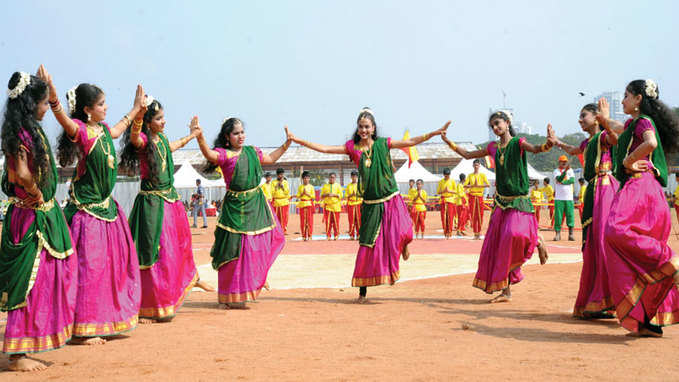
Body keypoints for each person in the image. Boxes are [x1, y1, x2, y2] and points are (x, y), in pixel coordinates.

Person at [287, 107, 449, 302]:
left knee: (404, 230)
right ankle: (362, 292)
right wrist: (298, 141)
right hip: (371, 204)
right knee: (366, 245)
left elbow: (410, 142)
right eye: (360, 127)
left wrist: (433, 133)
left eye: (367, 126)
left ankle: (404, 244)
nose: (363, 130)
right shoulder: (352, 148)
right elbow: (325, 149)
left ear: (373, 128)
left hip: (391, 197)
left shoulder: (383, 144)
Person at [41, 66, 141, 344]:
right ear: (87, 110)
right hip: (87, 214)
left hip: (107, 211)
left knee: (111, 269)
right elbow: (63, 119)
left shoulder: (105, 131)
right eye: (101, 104)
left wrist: (135, 109)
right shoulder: (83, 132)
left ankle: (102, 319)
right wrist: (53, 96)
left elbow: (121, 127)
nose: (106, 107)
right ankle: (82, 330)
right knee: (89, 270)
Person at [0, 71, 77, 371]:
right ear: (31, 103)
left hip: (42, 213)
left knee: (47, 279)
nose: (47, 108)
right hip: (30, 216)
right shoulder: (20, 133)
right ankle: (17, 355)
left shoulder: (28, 129)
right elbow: (17, 173)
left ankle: (30, 342)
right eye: (44, 103)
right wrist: (34, 191)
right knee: (26, 285)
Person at [442, 110, 553, 303]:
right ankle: (506, 291)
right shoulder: (493, 147)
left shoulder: (518, 143)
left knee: (514, 234)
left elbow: (535, 149)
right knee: (500, 248)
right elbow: (468, 155)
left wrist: (548, 144)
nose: (495, 128)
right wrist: (447, 141)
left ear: (508, 123)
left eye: (498, 123)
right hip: (501, 202)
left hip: (518, 200)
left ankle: (536, 239)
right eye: (492, 125)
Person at [120, 97, 213, 323]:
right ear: (149, 121)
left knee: (177, 248)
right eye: (159, 118)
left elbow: (173, 146)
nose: (164, 122)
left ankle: (185, 283)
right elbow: (133, 136)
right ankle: (150, 306)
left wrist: (192, 135)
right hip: (152, 205)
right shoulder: (142, 141)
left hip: (170, 203)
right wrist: (138, 114)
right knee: (153, 254)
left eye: (163, 117)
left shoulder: (161, 139)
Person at [601, 79, 679, 336]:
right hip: (651, 194)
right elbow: (619, 128)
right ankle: (647, 321)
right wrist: (604, 120)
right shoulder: (634, 123)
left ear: (637, 99)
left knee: (614, 232)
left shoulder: (643, 122)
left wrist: (629, 160)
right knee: (642, 262)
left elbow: (651, 143)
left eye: (626, 96)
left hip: (638, 188)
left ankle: (671, 259)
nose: (622, 100)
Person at [196, 117, 288, 308]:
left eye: (242, 132)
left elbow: (270, 159)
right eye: (236, 133)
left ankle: (255, 280)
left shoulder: (252, 152)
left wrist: (286, 145)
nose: (241, 136)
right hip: (234, 210)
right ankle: (228, 296)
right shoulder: (224, 154)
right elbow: (209, 155)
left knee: (261, 245)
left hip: (256, 205)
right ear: (227, 137)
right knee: (233, 251)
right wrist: (200, 138)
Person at [556, 100, 619, 319]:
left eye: (584, 116)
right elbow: (574, 150)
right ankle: (596, 301)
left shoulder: (602, 137)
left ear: (595, 116)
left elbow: (617, 139)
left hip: (605, 189)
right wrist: (557, 142)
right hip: (593, 191)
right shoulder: (588, 142)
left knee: (602, 243)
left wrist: (606, 119)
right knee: (591, 245)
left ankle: (611, 298)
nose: (580, 120)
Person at [464, 159, 490, 239]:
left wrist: (479, 186)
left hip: (479, 196)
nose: (476, 167)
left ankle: (479, 232)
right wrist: (472, 185)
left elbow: (488, 185)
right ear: (473, 166)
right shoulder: (470, 175)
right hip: (472, 196)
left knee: (480, 215)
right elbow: (465, 186)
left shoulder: (482, 175)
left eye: (477, 165)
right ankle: (475, 233)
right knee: (473, 215)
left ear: (479, 166)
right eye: (475, 165)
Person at [552, 155, 576, 241]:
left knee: (570, 216)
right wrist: (565, 172)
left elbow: (572, 181)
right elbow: (559, 179)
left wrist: (563, 182)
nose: (564, 163)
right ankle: (558, 234)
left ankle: (571, 234)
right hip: (559, 198)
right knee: (558, 216)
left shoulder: (571, 170)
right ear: (559, 162)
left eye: (565, 162)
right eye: (563, 162)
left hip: (569, 198)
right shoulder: (556, 171)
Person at [321, 172, 343, 240]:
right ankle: (328, 235)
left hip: (336, 206)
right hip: (328, 207)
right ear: (329, 178)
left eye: (333, 177)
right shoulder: (325, 186)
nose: (332, 179)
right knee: (328, 222)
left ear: (335, 178)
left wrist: (334, 195)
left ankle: (336, 235)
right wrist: (327, 194)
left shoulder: (338, 186)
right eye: (330, 177)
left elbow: (341, 195)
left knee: (336, 222)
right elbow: (321, 196)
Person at [296, 171, 315, 241]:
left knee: (309, 221)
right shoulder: (300, 187)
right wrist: (302, 194)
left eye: (307, 178)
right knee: (303, 221)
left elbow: (313, 197)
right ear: (302, 179)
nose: (306, 180)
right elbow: (298, 196)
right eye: (305, 178)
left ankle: (310, 235)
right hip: (302, 205)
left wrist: (307, 194)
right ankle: (304, 235)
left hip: (309, 204)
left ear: (309, 179)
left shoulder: (311, 187)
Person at [437, 168, 456, 239]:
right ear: (443, 175)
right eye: (445, 176)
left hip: (450, 200)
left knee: (450, 217)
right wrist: (444, 191)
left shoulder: (452, 181)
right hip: (443, 200)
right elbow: (438, 192)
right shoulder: (441, 182)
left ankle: (450, 232)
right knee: (443, 217)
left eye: (448, 175)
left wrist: (449, 191)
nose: (447, 177)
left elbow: (455, 191)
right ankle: (445, 232)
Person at [271, 168, 290, 234]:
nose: (281, 176)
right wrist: (276, 186)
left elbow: (287, 192)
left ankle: (284, 230)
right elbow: (272, 192)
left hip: (284, 201)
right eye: (279, 174)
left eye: (282, 174)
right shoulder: (273, 182)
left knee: (284, 217)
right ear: (277, 175)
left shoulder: (285, 182)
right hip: (276, 202)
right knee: (276, 217)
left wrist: (282, 187)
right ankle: (277, 231)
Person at [345, 170, 362, 240]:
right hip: (351, 204)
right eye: (353, 176)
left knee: (359, 220)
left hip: (358, 203)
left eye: (355, 176)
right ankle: (351, 235)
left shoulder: (360, 185)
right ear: (351, 177)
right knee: (351, 220)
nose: (354, 178)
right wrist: (351, 195)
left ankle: (359, 235)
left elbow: (362, 194)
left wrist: (357, 194)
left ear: (357, 177)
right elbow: (346, 196)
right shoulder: (348, 186)